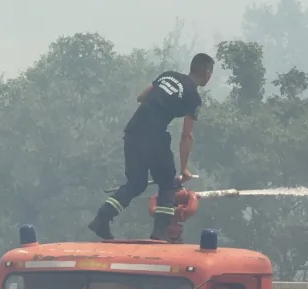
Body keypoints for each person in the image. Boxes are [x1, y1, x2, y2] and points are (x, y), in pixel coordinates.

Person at [88, 53, 215, 241]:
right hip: (154, 136)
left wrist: (163, 100)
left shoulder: (168, 75)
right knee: (167, 184)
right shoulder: (193, 96)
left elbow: (142, 97)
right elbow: (187, 134)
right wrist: (184, 168)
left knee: (136, 183)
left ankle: (102, 218)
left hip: (132, 132)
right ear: (207, 73)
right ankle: (160, 233)